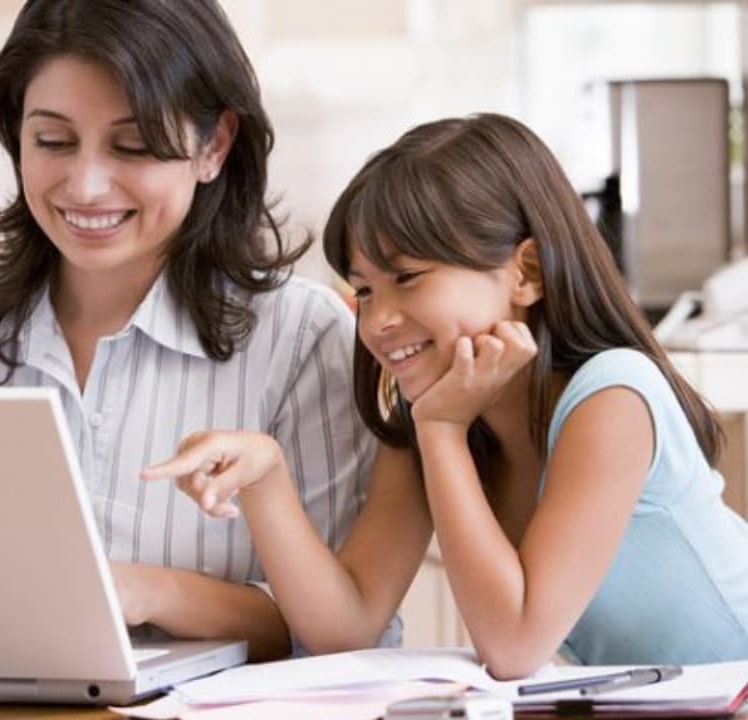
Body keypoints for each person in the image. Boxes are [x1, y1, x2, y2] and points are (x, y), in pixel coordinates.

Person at [145, 113, 748, 677]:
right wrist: (266, 481)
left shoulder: (611, 397)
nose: (377, 320)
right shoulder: (438, 412)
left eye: (406, 278)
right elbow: (348, 624)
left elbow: (514, 645)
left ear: (526, 273)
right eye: (364, 290)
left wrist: (440, 431)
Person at [0, 0, 380, 661]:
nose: (86, 186)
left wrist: (143, 592)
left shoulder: (301, 337)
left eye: (134, 145)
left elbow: (333, 634)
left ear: (214, 146)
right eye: (53, 142)